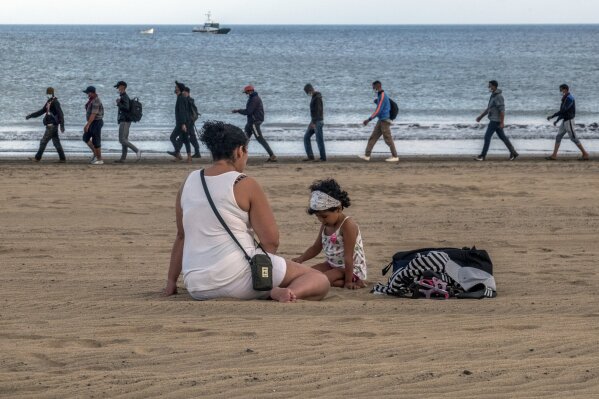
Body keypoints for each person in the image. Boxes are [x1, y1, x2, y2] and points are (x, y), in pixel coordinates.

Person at [162, 121, 329, 302]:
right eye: (246, 151)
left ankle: (269, 288)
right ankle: (278, 291)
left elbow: (181, 236)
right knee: (318, 280)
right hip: (236, 278)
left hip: (196, 285)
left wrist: (171, 281)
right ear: (239, 151)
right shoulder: (244, 183)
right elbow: (271, 241)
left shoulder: (188, 182)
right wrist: (263, 273)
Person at [292, 179, 367, 289]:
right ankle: (340, 281)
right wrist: (301, 259)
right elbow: (316, 247)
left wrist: (348, 282)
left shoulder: (347, 225)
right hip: (331, 265)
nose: (321, 220)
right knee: (307, 274)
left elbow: (348, 257)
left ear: (338, 209)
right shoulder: (326, 224)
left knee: (320, 279)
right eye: (318, 217)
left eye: (324, 216)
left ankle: (355, 280)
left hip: (349, 269)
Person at [475, 80, 518, 161]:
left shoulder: (498, 96)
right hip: (495, 120)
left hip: (495, 121)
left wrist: (502, 122)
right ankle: (513, 153)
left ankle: (482, 156)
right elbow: (489, 108)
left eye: (490, 86)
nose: (489, 87)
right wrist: (480, 117)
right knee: (503, 137)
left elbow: (502, 110)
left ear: (494, 86)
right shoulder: (493, 95)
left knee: (487, 137)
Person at [232, 85, 277, 162]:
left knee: (260, 139)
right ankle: (239, 156)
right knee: (244, 139)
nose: (246, 94)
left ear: (250, 91)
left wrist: (238, 111)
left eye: (246, 92)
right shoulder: (253, 98)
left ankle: (272, 156)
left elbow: (248, 111)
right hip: (250, 122)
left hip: (254, 123)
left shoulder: (254, 99)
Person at [546, 84, 590, 161]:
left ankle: (585, 154)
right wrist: (557, 120)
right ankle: (554, 155)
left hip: (569, 121)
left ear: (565, 89)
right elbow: (563, 112)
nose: (560, 91)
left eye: (561, 89)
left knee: (573, 138)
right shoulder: (565, 98)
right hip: (565, 121)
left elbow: (563, 110)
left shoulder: (569, 98)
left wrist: (553, 116)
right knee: (558, 137)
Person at [359, 81, 399, 162]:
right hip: (381, 120)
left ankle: (395, 156)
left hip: (385, 121)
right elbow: (382, 105)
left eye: (374, 86)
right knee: (373, 137)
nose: (373, 88)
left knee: (388, 139)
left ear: (378, 86)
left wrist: (369, 119)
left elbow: (378, 110)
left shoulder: (383, 95)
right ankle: (367, 155)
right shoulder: (380, 95)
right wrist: (376, 101)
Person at [26, 87, 66, 163]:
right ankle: (62, 158)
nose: (48, 94)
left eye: (49, 93)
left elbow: (61, 114)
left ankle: (37, 158)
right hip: (51, 126)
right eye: (47, 93)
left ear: (52, 93)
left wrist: (62, 125)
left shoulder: (55, 102)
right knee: (56, 142)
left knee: (43, 141)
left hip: (52, 126)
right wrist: (31, 115)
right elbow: (41, 111)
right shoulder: (49, 102)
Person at [114, 81, 141, 163]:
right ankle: (123, 158)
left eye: (118, 87)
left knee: (122, 139)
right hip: (125, 120)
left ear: (122, 87)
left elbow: (126, 108)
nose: (117, 88)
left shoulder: (124, 96)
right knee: (124, 139)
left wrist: (119, 103)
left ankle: (137, 151)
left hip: (125, 120)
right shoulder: (123, 96)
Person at [167, 81, 192, 163]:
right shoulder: (181, 97)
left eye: (176, 87)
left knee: (172, 137)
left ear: (179, 89)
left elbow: (182, 111)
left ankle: (178, 154)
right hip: (184, 122)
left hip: (182, 123)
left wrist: (183, 124)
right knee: (185, 139)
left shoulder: (181, 98)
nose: (175, 88)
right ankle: (188, 157)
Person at [302, 84, 326, 162]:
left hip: (318, 121)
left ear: (311, 89)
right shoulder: (314, 97)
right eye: (307, 93)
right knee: (306, 137)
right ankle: (310, 156)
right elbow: (314, 112)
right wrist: (312, 122)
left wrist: (314, 122)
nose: (308, 94)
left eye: (308, 92)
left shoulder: (317, 97)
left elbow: (318, 111)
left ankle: (323, 158)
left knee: (319, 140)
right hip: (314, 121)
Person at [82, 86, 104, 165]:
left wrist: (87, 125)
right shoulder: (91, 100)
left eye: (88, 93)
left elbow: (93, 114)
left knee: (96, 141)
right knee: (85, 137)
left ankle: (99, 159)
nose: (87, 94)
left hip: (96, 122)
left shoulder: (96, 101)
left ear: (92, 93)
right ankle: (95, 153)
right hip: (92, 122)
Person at [182, 86, 201, 158]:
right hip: (189, 121)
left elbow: (190, 111)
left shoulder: (189, 100)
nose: (183, 93)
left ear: (187, 92)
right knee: (190, 137)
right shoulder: (189, 100)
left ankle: (197, 152)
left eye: (184, 92)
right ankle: (197, 152)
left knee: (190, 137)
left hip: (189, 121)